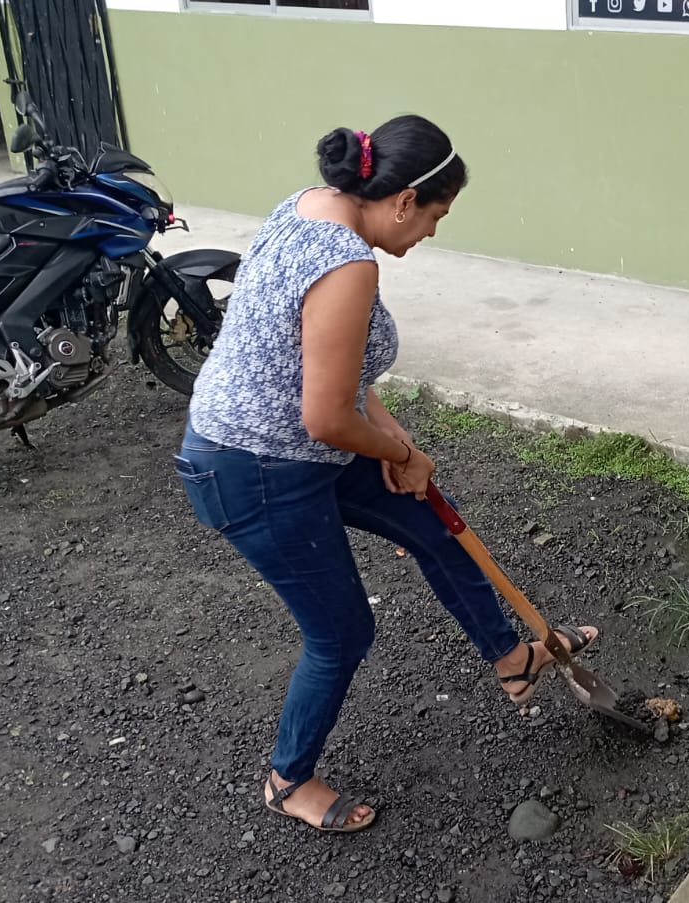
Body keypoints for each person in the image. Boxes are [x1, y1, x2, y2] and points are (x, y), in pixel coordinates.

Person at [173, 114, 598, 834]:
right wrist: (398, 453)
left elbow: (321, 357)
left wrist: (386, 427)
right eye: (435, 216)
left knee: (430, 518)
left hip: (298, 444)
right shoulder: (347, 263)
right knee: (341, 633)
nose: (431, 232)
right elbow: (323, 417)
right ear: (404, 201)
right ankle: (288, 779)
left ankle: (513, 657)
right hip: (253, 467)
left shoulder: (312, 204)